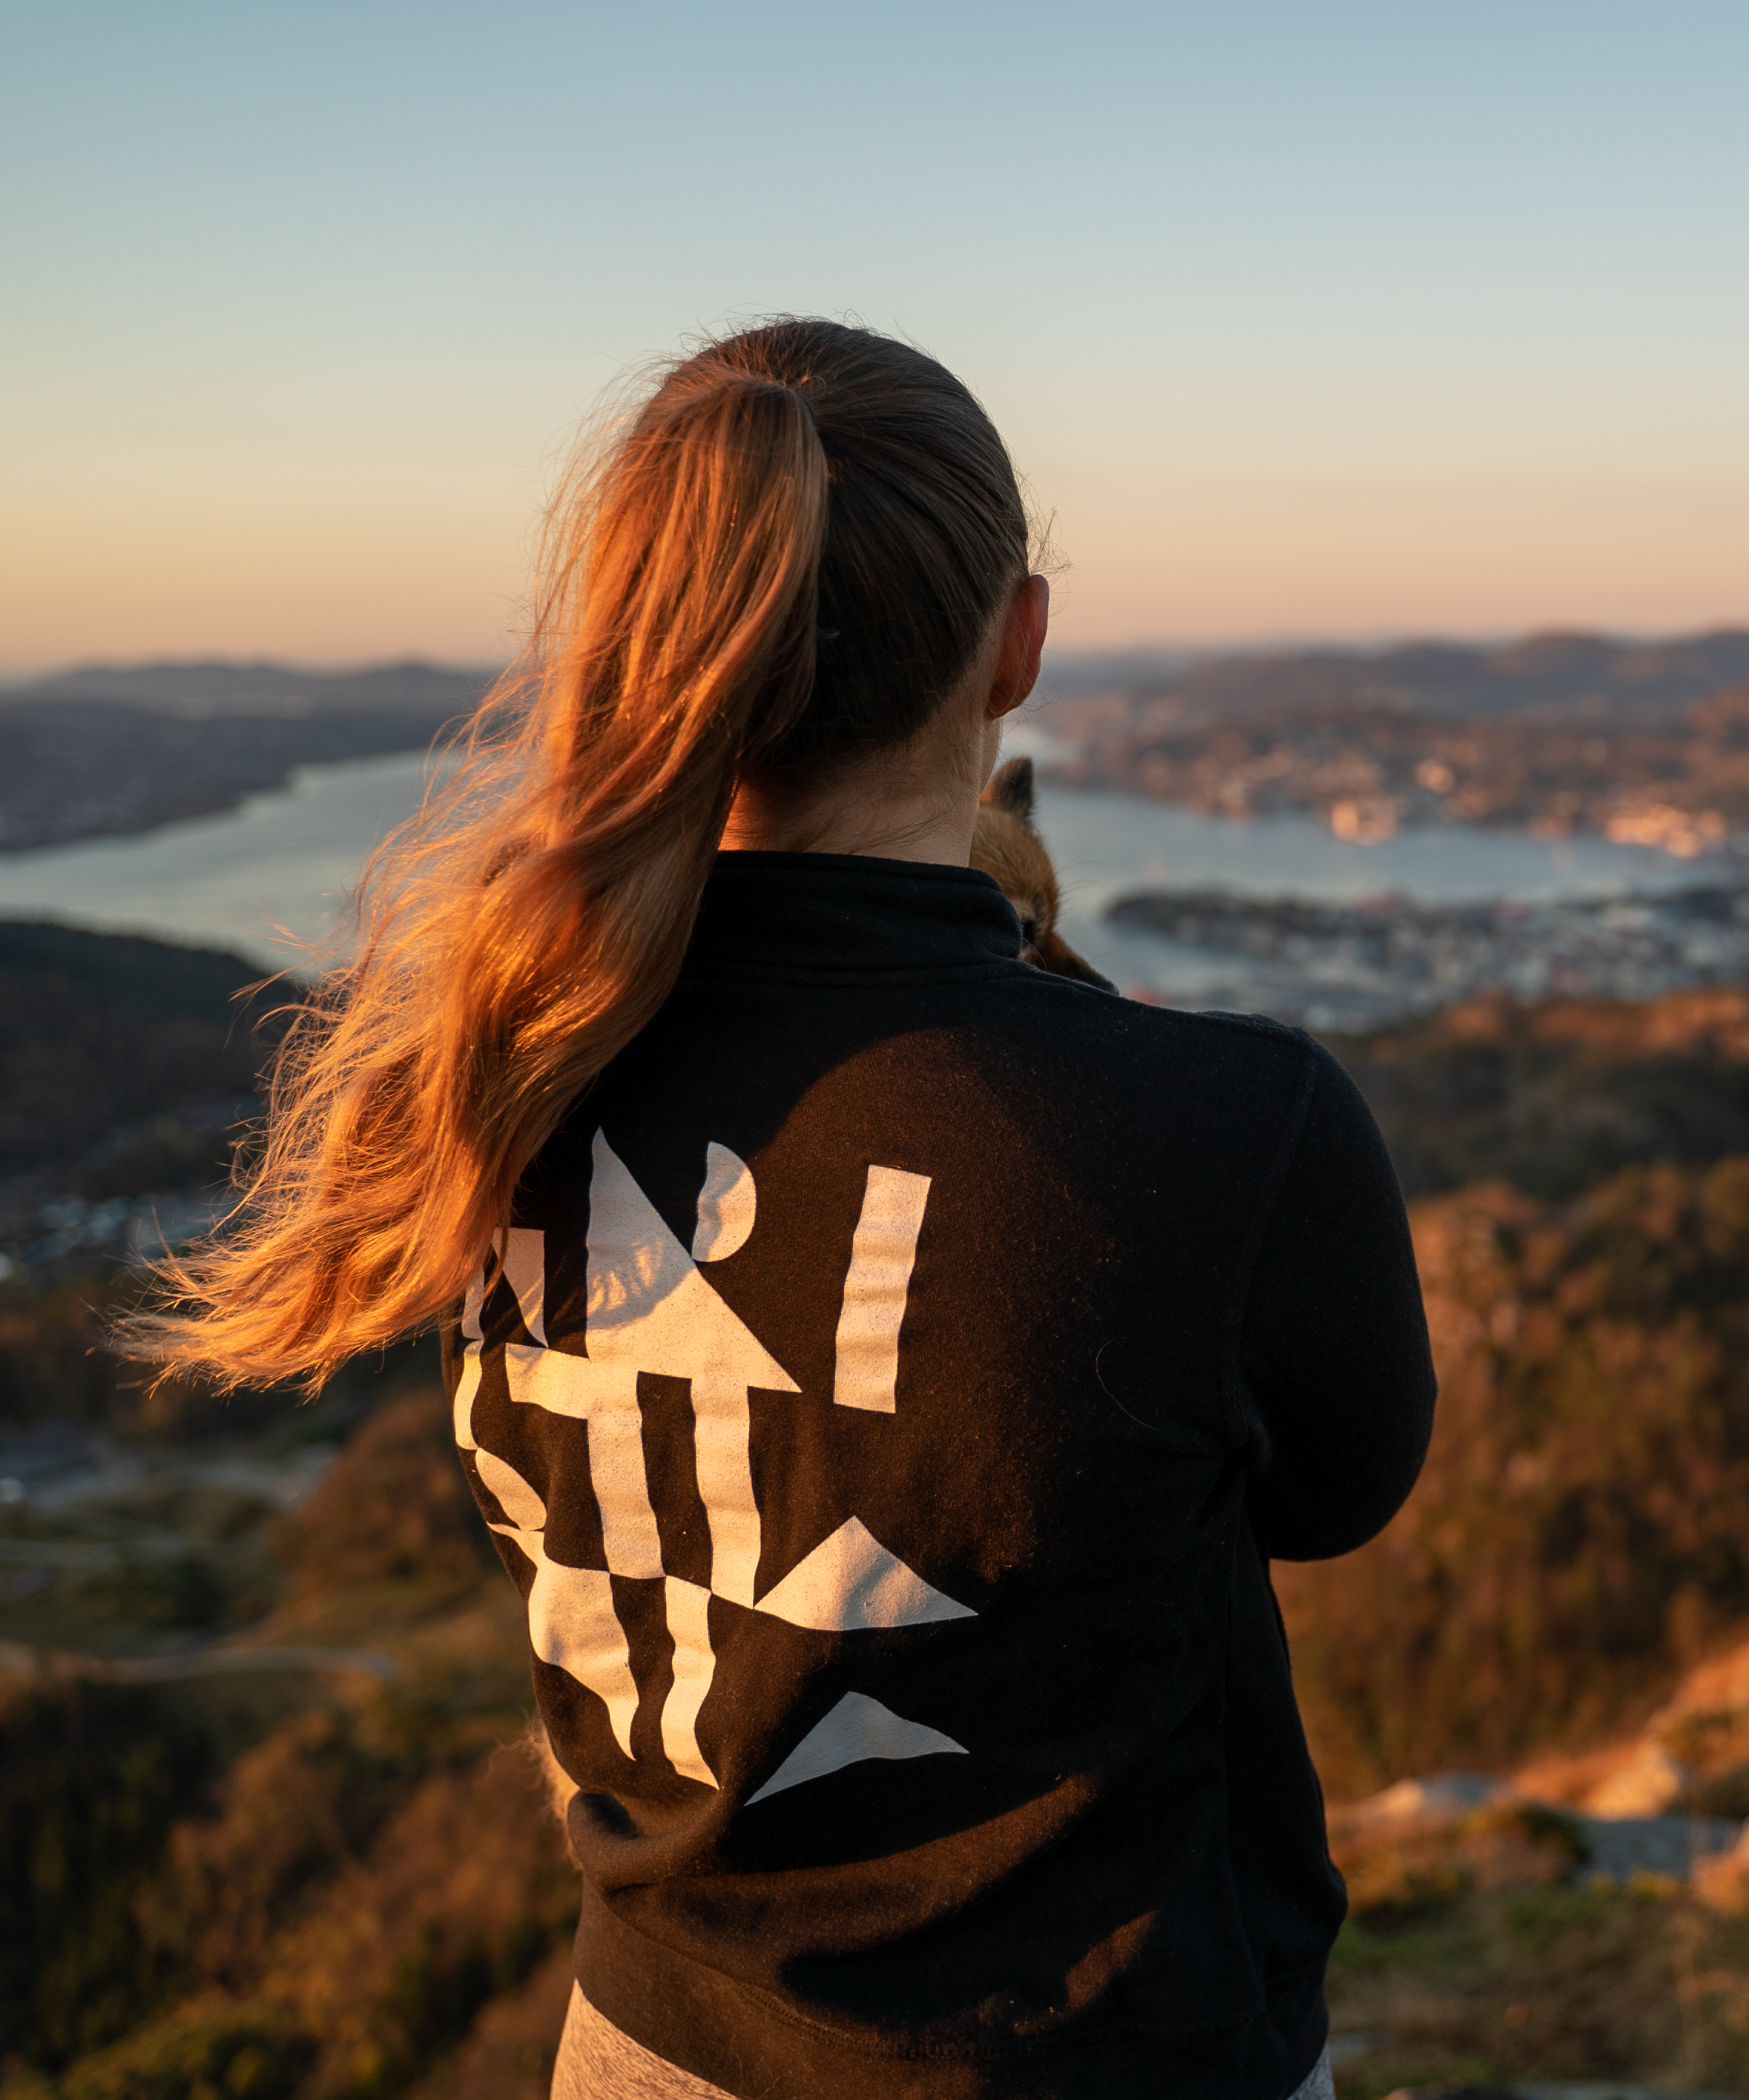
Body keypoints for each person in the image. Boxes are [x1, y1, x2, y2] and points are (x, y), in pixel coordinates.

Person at [134, 317, 1437, 2100]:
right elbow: (1339, 1488)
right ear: (1019, 644)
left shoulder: (492, 1072)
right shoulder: (1227, 1128)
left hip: (645, 2047)